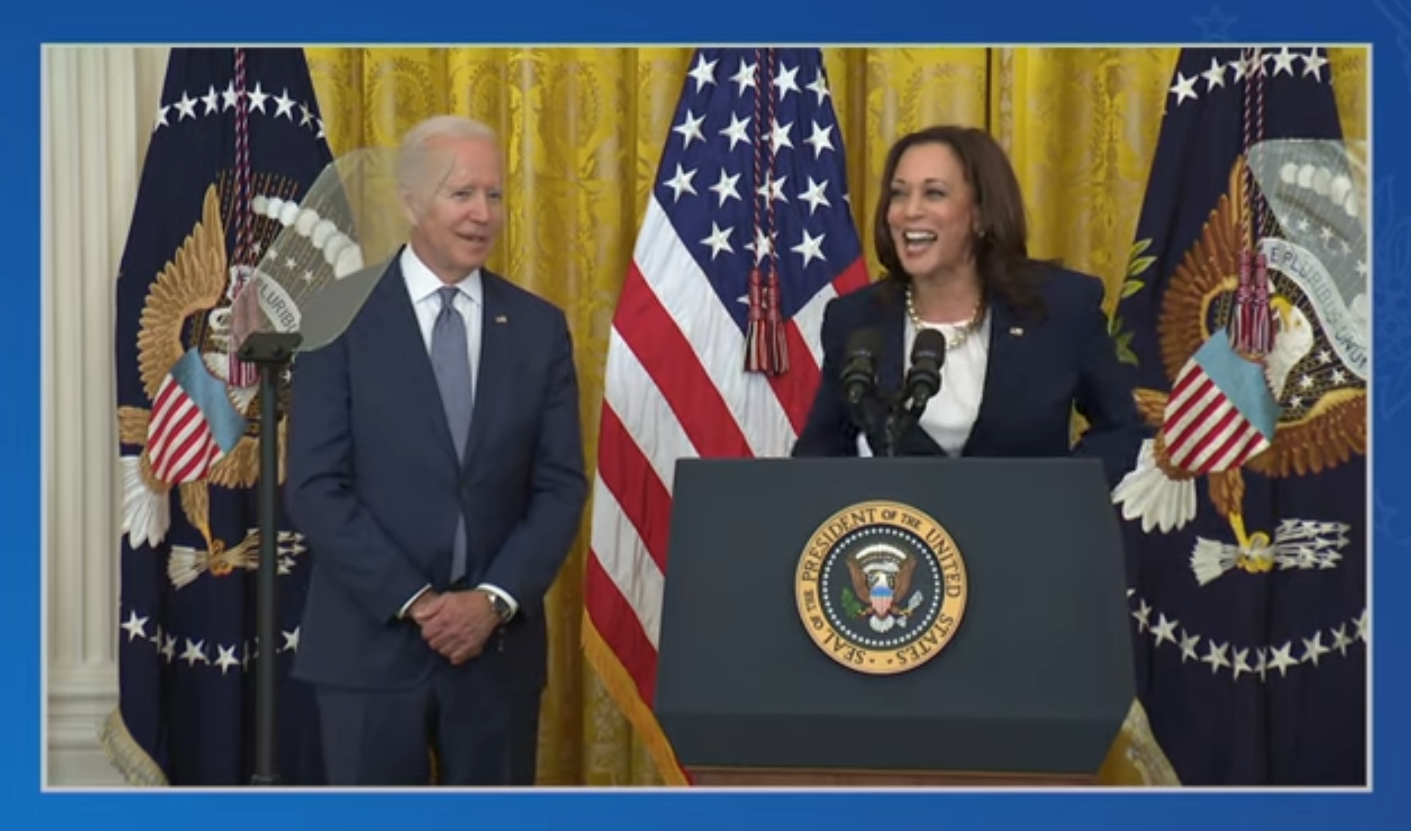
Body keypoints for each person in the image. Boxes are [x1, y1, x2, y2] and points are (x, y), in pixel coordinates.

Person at [284, 114, 587, 786]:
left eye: (495, 195)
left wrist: (491, 600)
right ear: (411, 200)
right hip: (368, 650)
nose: (483, 213)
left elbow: (560, 484)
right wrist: (420, 601)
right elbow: (314, 484)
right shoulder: (338, 315)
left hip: (494, 652)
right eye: (462, 194)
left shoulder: (537, 327)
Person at [791, 125, 1145, 486]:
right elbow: (821, 452)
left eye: (934, 193)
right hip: (903, 537)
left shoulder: (1061, 308)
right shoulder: (856, 319)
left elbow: (1122, 428)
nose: (910, 211)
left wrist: (1059, 493)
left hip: (1028, 536)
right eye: (898, 194)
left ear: (979, 214)